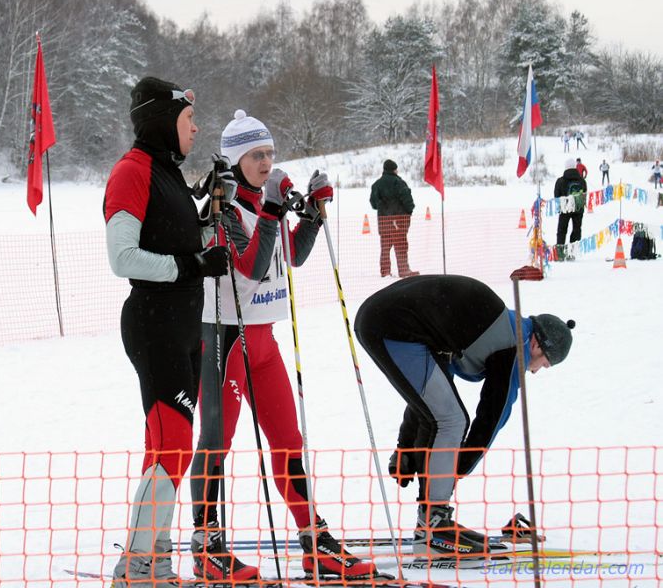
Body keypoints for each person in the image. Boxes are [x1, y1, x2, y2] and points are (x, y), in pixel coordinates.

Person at [188, 110, 377, 584]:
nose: (265, 162)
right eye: (255, 155)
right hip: (225, 340)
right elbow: (250, 267)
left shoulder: (261, 204)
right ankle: (207, 546)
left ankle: (315, 541)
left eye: (269, 153)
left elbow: (290, 254)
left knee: (289, 443)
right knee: (216, 443)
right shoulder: (223, 210)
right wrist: (273, 210)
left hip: (264, 341)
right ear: (235, 160)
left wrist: (311, 212)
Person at [104, 76, 230, 587]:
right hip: (154, 323)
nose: (196, 129)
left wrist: (209, 218)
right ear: (161, 122)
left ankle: (152, 561)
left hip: (180, 325)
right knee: (173, 446)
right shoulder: (131, 172)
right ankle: (137, 567)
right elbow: (122, 257)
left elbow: (184, 242)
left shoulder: (166, 172)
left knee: (165, 449)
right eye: (187, 120)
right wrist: (193, 263)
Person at [354, 274, 575, 557]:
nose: (535, 371)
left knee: (445, 414)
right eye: (543, 364)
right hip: (393, 324)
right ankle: (434, 528)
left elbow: (429, 397)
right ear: (536, 345)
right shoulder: (512, 345)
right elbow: (491, 419)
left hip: (379, 318)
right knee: (453, 420)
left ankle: (433, 522)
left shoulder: (481, 328)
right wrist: (456, 468)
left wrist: (406, 448)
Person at [370, 159, 418, 278]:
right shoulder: (399, 182)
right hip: (398, 219)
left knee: (385, 247)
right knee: (401, 244)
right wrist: (409, 210)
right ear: (394, 169)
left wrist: (384, 207)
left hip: (383, 220)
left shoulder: (376, 184)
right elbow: (407, 199)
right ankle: (404, 270)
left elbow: (374, 203)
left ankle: (385, 272)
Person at [555, 158, 588, 257]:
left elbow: (556, 196)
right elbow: (584, 193)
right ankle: (573, 252)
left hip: (565, 208)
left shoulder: (560, 181)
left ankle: (560, 253)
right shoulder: (582, 180)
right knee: (576, 229)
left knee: (562, 230)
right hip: (578, 208)